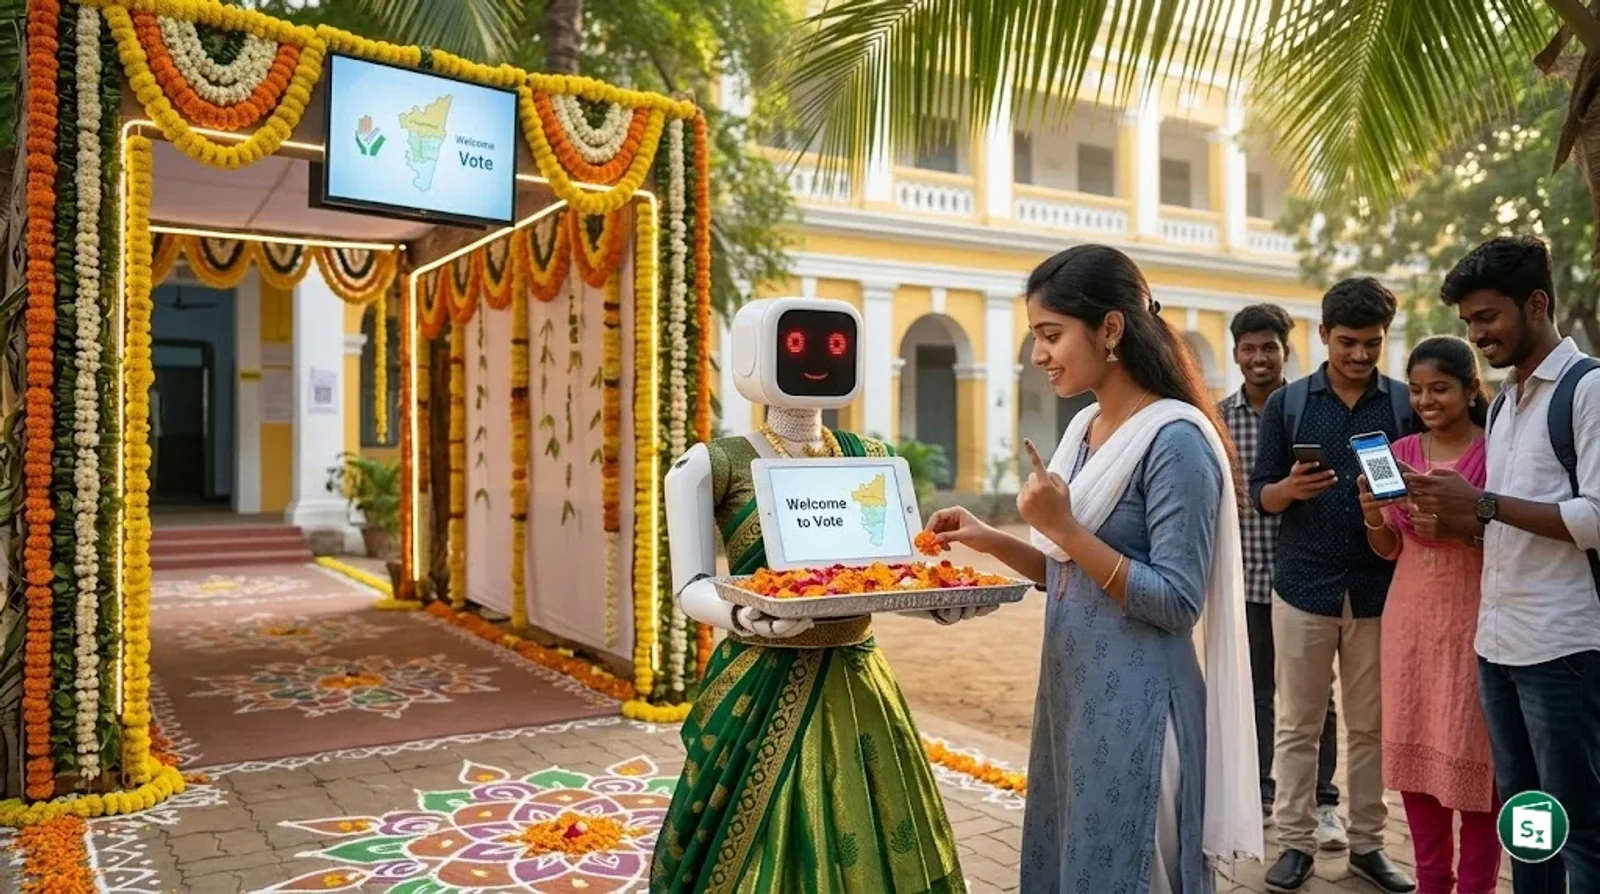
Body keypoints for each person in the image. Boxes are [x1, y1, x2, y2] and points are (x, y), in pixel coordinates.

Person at [927, 244, 1261, 893]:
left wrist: (1064, 527)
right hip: (1075, 700)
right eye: (1034, 337)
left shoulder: (1176, 441)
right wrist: (992, 538)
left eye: (1051, 335)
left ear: (1110, 328)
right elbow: (1069, 571)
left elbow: (1175, 602)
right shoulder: (1085, 428)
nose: (1038, 355)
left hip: (1141, 709)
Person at [650, 297, 989, 893]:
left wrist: (937, 598)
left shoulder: (872, 458)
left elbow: (894, 571)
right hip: (758, 675)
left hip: (857, 676)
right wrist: (742, 614)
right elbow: (690, 586)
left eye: (835, 346)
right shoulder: (714, 463)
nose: (816, 361)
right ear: (758, 353)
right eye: (797, 345)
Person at [1407, 236, 1600, 894]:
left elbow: (1596, 517)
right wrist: (1452, 514)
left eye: (1487, 317)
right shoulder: (1512, 402)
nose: (1477, 334)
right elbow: (1503, 520)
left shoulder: (1587, 390)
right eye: (1468, 324)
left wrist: (1481, 502)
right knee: (1530, 821)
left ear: (1536, 304)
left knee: (1585, 830)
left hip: (1565, 648)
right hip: (1497, 645)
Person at [1250, 278, 1417, 894]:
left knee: (1371, 725)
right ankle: (1294, 844)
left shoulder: (1402, 403)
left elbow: (1414, 490)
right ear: (1322, 335)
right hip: (1301, 587)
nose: (1360, 355)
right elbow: (1259, 493)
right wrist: (1287, 491)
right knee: (1297, 724)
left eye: (1373, 343)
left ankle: (1369, 845)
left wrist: (1395, 495)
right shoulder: (1287, 404)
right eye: (1348, 342)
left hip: (1379, 589)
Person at [1358, 336, 1499, 894]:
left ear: (1470, 389)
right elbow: (1390, 547)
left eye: (1439, 388)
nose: (1425, 400)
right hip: (1410, 621)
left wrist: (1461, 527)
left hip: (1476, 622)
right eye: (1416, 390)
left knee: (1479, 761)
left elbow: (1514, 542)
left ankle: (1477, 886)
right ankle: (1432, 882)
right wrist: (1374, 516)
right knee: (1417, 758)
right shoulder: (1400, 453)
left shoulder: (1495, 452)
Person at [1219, 305, 1345, 838]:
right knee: (1256, 693)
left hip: (1305, 577)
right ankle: (1265, 792)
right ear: (1235, 355)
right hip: (1244, 579)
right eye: (1248, 348)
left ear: (1286, 351)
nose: (1258, 358)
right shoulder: (1219, 418)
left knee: (1318, 696)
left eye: (1268, 347)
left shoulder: (1306, 408)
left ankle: (1325, 800)